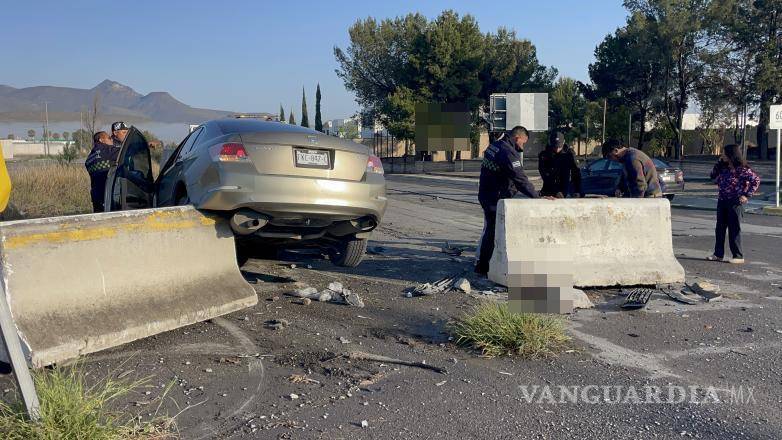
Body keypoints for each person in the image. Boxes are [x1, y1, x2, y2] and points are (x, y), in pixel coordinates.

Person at [475, 126, 545, 275]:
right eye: (523, 143)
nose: (523, 146)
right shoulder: (508, 152)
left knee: (489, 229)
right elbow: (520, 180)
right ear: (517, 138)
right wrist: (537, 198)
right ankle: (483, 266)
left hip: (487, 194)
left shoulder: (495, 145)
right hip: (495, 198)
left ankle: (483, 262)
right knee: (493, 231)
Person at [706, 144, 760, 264]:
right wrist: (718, 163)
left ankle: (738, 256)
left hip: (735, 202)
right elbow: (712, 176)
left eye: (724, 153)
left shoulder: (742, 169)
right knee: (720, 228)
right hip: (722, 200)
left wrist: (746, 195)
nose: (722, 155)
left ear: (731, 155)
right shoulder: (723, 167)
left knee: (734, 229)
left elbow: (755, 180)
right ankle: (718, 254)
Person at [538, 131, 583, 198]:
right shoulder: (544, 156)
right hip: (549, 191)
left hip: (565, 190)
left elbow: (576, 173)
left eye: (559, 146)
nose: (557, 149)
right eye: (555, 146)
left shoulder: (569, 154)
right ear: (550, 143)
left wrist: (577, 191)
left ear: (564, 142)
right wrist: (556, 191)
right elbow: (545, 176)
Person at [85, 131, 120, 212]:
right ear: (101, 140)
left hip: (96, 197)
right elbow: (125, 151)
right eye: (109, 138)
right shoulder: (106, 150)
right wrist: (145, 145)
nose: (112, 140)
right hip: (108, 196)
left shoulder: (89, 159)